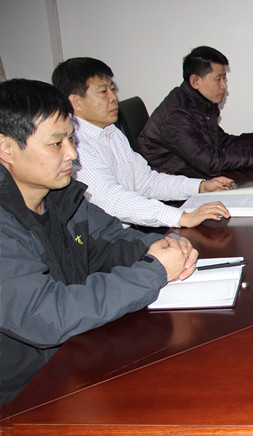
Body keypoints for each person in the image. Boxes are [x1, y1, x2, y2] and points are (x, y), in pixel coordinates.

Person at [0, 79, 199, 405]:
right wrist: (154, 271)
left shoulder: (60, 196)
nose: (72, 154)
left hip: (76, 356)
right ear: (6, 148)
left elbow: (111, 240)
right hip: (24, 396)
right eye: (56, 143)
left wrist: (162, 247)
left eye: (72, 139)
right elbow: (47, 315)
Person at [51, 57, 233, 228]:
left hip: (130, 231)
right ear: (76, 102)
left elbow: (146, 181)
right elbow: (111, 200)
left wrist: (200, 186)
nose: (113, 98)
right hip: (107, 241)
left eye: (112, 89)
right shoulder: (75, 145)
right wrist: (181, 217)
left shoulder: (111, 132)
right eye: (103, 92)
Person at [137, 46, 253, 178]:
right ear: (195, 81)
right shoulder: (177, 116)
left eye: (224, 79)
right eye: (218, 79)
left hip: (193, 177)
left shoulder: (200, 103)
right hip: (173, 189)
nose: (224, 86)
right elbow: (209, 162)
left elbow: (221, 142)